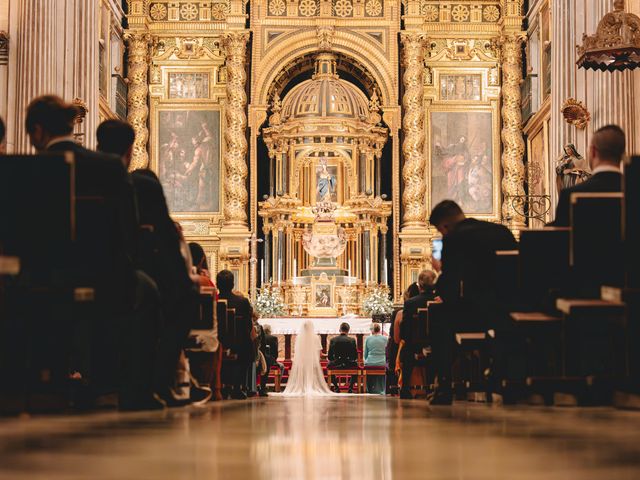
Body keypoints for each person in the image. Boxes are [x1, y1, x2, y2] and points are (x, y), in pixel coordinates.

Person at [26, 96, 162, 410]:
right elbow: (128, 235)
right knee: (150, 292)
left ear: (37, 132)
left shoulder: (30, 167)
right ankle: (118, 384)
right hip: (106, 280)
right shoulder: (110, 167)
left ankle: (41, 379)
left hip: (47, 280)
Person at [97, 119, 200, 407]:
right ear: (130, 150)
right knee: (182, 296)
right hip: (122, 276)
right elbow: (164, 244)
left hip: (71, 272)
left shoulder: (75, 171)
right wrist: (185, 278)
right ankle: (154, 383)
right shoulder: (142, 184)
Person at [428, 200, 517, 405]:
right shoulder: (501, 231)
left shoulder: (454, 238)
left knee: (439, 317)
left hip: (477, 313)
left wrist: (440, 270)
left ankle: (443, 385)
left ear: (445, 226)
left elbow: (448, 289)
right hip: (510, 309)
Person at [550, 126, 625, 227]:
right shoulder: (634, 189)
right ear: (623, 154)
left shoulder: (570, 194)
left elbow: (559, 235)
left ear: (593, 152)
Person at [397, 271, 437, 399]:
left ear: (419, 286)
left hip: (414, 345)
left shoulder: (410, 303)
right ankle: (433, 386)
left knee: (407, 351)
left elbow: (405, 327)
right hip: (435, 343)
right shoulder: (438, 301)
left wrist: (408, 341)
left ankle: (405, 388)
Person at [216, 270, 254, 400]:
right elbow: (248, 325)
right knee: (248, 346)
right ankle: (237, 387)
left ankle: (223, 385)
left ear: (217, 284)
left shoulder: (214, 300)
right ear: (233, 284)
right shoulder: (242, 302)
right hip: (239, 345)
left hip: (218, 342)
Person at [278, 320, 335, 397]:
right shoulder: (316, 337)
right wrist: (329, 355)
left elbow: (297, 352)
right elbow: (321, 354)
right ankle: (312, 386)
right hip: (312, 362)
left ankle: (302, 386)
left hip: (302, 362)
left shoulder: (299, 337)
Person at [386, 283, 420, 394]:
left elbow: (396, 338)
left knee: (401, 345)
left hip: (408, 348)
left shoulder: (400, 312)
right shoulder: (433, 301)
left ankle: (400, 385)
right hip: (430, 345)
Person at [327, 322, 358, 393]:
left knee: (329, 365)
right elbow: (355, 356)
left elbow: (330, 356)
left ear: (339, 330)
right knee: (356, 365)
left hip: (336, 363)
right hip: (349, 363)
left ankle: (336, 387)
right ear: (348, 330)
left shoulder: (333, 340)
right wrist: (350, 360)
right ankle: (350, 387)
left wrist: (334, 360)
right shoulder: (352, 340)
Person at [364, 323, 388, 394]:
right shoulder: (385, 338)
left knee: (369, 368)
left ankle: (370, 389)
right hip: (383, 361)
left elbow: (366, 353)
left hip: (370, 362)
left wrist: (367, 360)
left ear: (372, 331)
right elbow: (387, 352)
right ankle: (383, 388)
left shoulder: (368, 339)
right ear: (380, 330)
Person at [261, 324, 284, 393]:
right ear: (270, 330)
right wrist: (273, 360)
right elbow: (275, 352)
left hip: (260, 359)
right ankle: (276, 387)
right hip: (270, 360)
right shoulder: (273, 338)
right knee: (282, 366)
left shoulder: (260, 337)